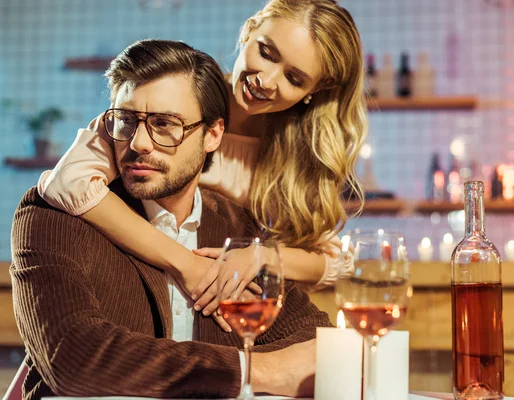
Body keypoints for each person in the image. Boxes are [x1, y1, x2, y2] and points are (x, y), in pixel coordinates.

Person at [11, 39, 331, 400]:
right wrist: (260, 370)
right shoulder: (52, 217)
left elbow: (314, 341)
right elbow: (75, 361)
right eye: (126, 120)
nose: (139, 143)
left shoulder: (237, 227)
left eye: (165, 124)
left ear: (213, 135)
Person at [36, 0, 367, 319]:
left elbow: (336, 262)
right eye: (266, 52)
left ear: (313, 92)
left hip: (223, 322)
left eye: (294, 78)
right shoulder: (176, 102)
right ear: (249, 31)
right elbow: (67, 181)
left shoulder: (296, 153)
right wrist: (187, 265)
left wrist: (262, 256)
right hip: (131, 298)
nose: (265, 81)